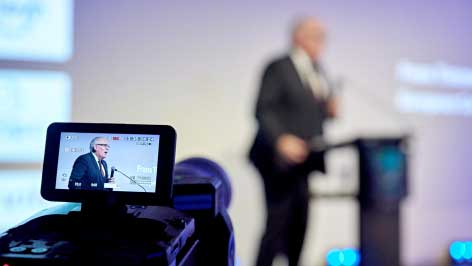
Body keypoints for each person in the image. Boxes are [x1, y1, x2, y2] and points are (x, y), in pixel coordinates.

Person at [249, 17, 338, 266]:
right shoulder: (279, 67)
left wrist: (328, 110)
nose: (322, 43)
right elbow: (263, 109)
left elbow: (307, 111)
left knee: (300, 224)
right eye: (317, 36)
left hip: (305, 162)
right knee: (277, 225)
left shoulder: (318, 71)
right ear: (299, 37)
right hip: (277, 162)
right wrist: (281, 139)